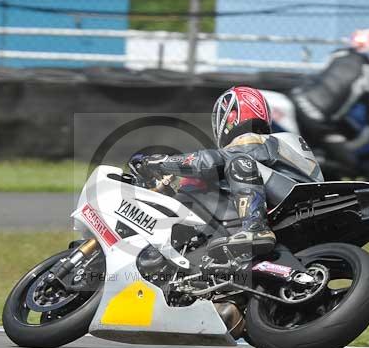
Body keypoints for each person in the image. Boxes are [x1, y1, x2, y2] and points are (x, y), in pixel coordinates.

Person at [134, 86, 322, 260]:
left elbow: (207, 162)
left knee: (238, 163)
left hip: (299, 197)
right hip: (293, 200)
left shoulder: (255, 140)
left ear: (231, 116)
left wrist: (162, 163)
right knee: (203, 185)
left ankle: (255, 228)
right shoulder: (271, 146)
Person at [291, 30, 369, 176]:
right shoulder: (366, 69)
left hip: (300, 101)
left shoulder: (337, 57)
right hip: (316, 116)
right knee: (349, 165)